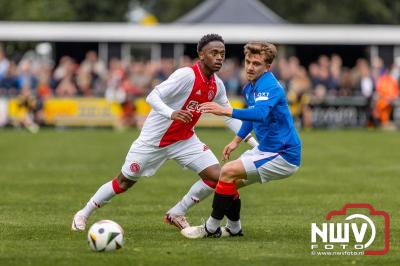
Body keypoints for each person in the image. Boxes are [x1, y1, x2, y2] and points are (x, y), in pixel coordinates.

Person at [71, 34, 257, 231]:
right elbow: (153, 96)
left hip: (185, 140)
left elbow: (228, 115)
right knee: (123, 182)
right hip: (153, 141)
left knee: (217, 177)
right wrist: (172, 114)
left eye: (222, 54)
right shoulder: (186, 75)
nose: (219, 57)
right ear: (201, 55)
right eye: (214, 53)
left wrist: (254, 144)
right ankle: (83, 213)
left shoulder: (217, 85)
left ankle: (177, 212)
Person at [181, 41, 302, 238]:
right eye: (248, 62)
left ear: (267, 67)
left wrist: (225, 111)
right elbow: (252, 117)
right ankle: (234, 229)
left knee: (227, 171)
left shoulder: (269, 86)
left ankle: (211, 228)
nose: (250, 67)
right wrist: (236, 141)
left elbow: (261, 114)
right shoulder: (249, 88)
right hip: (268, 149)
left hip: (284, 154)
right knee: (228, 181)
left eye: (257, 64)